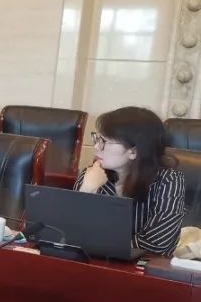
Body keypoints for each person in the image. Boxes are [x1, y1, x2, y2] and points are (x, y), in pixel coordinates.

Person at [76, 106, 185, 256]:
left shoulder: (168, 180)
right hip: (93, 262)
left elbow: (157, 244)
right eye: (97, 138)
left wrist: (100, 247)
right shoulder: (93, 175)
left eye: (104, 141)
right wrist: (85, 192)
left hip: (143, 267)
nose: (96, 146)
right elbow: (67, 234)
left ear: (133, 151)